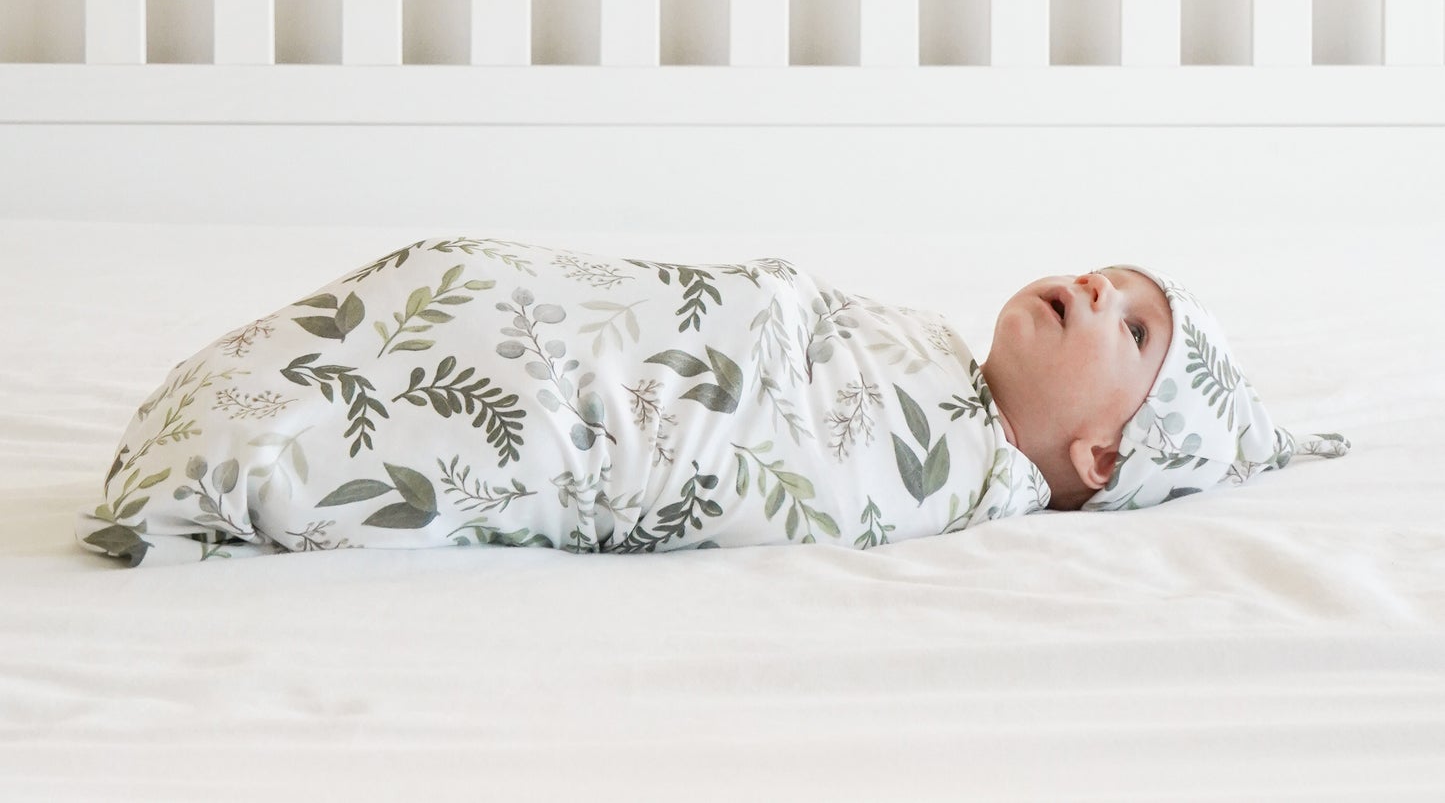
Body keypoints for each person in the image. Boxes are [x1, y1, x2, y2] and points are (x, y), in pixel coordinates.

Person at [75, 238, 1349, 566]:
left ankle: (253, 455)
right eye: (1103, 267)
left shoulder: (943, 478)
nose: (1090, 281)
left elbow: (763, 463)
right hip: (587, 316)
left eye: (1130, 325)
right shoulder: (920, 349)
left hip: (598, 402)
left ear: (1099, 456)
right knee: (459, 282)